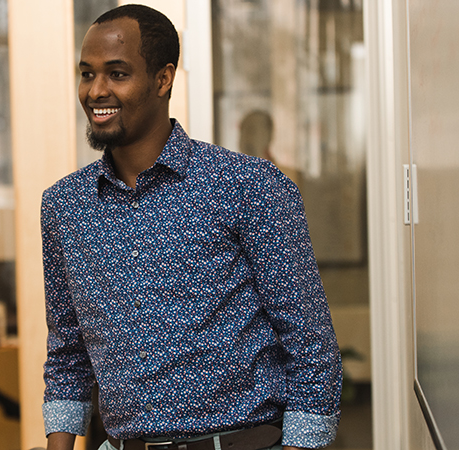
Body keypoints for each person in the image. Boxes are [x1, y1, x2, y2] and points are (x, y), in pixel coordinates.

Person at [40, 5, 341, 450]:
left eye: (117, 74)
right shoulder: (64, 206)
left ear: (163, 79)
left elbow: (312, 348)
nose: (96, 91)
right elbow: (68, 356)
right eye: (87, 74)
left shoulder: (248, 186)